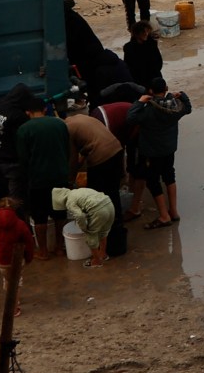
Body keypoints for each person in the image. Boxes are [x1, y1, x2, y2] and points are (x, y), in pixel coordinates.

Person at [125, 80, 191, 228]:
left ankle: (164, 216)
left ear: (150, 91)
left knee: (153, 181)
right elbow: (188, 108)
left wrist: (140, 102)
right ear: (166, 88)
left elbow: (130, 118)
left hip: (152, 152)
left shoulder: (148, 111)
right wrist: (182, 95)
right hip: (169, 149)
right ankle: (173, 211)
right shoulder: (175, 107)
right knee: (169, 176)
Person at [15, 98, 72, 259]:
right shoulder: (60, 124)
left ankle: (43, 251)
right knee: (60, 213)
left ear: (27, 112)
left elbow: (23, 159)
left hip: (38, 180)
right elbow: (67, 149)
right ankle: (59, 248)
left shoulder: (24, 129)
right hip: (60, 176)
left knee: (40, 216)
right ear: (45, 109)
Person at [65, 108, 125, 244]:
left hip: (101, 157)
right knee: (113, 193)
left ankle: (102, 236)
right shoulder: (79, 118)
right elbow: (86, 146)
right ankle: (117, 228)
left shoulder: (67, 130)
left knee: (95, 196)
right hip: (116, 149)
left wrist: (70, 181)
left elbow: (72, 160)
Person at [0, 197, 33, 312]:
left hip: (1, 261)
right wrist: (28, 258)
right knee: (16, 282)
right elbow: (29, 243)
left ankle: (13, 300)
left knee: (7, 280)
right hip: (17, 260)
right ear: (14, 209)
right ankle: (14, 308)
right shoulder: (21, 225)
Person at [51, 185, 115, 267]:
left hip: (98, 211)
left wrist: (84, 228)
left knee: (91, 235)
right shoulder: (78, 191)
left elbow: (79, 216)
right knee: (103, 232)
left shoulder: (69, 201)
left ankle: (96, 261)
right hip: (109, 204)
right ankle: (103, 254)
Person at [123, 21, 164, 90]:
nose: (146, 34)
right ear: (137, 34)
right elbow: (128, 65)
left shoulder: (152, 44)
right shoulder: (129, 48)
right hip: (139, 80)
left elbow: (158, 61)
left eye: (147, 31)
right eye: (143, 32)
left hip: (154, 77)